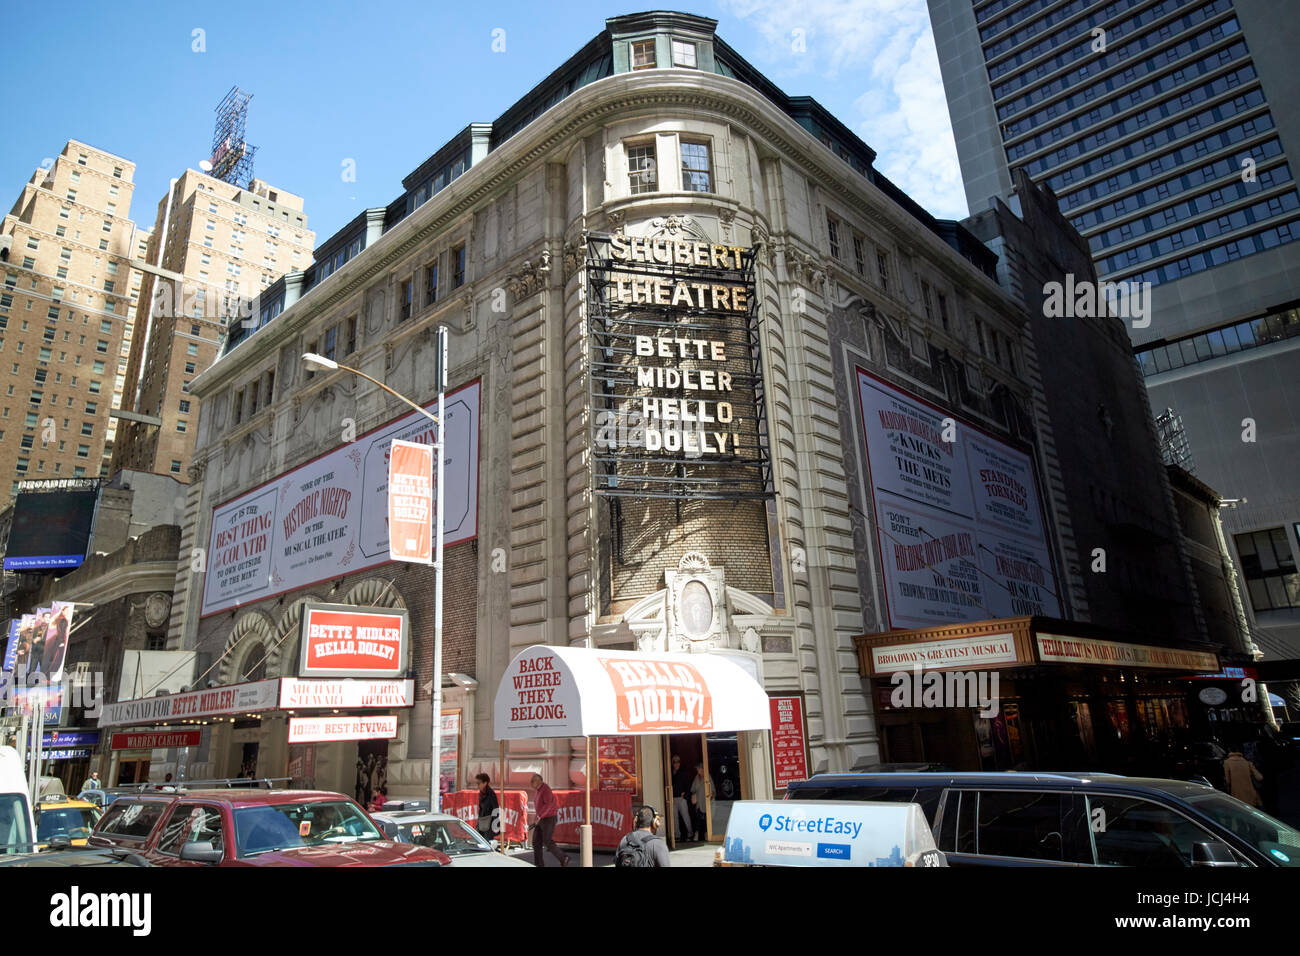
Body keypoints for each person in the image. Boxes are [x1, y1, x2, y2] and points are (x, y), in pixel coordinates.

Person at [528, 773, 570, 867]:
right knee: (536, 842)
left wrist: (540, 817)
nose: (531, 784)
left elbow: (549, 805)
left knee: (547, 840)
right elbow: (540, 806)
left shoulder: (545, 789)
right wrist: (537, 817)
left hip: (548, 818)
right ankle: (539, 864)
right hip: (542, 818)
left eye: (532, 781)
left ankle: (563, 858)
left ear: (538, 781)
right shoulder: (538, 790)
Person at [669, 754, 693, 841]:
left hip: (681, 798)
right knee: (675, 818)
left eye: (678, 761)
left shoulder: (683, 773)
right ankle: (677, 835)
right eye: (674, 762)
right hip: (673, 798)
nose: (676, 763)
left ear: (680, 763)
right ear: (672, 763)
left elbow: (688, 785)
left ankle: (690, 834)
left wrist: (685, 795)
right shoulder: (670, 773)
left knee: (686, 816)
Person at [689, 762, 713, 840]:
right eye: (697, 769)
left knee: (706, 819)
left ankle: (707, 834)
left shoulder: (707, 776)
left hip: (706, 801)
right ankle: (697, 835)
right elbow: (692, 789)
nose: (697, 770)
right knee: (698, 819)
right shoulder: (696, 777)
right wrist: (694, 793)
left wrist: (711, 796)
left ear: (702, 769)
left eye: (698, 769)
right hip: (699, 802)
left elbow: (712, 789)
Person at [475, 772, 499, 839]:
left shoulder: (491, 794)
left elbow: (495, 809)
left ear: (485, 783)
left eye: (478, 783)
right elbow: (481, 809)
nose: (477, 785)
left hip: (489, 825)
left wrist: (495, 825)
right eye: (476, 783)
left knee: (487, 842)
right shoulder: (481, 794)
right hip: (483, 823)